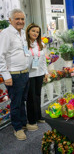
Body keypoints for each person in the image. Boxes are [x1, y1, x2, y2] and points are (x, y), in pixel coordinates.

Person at [0, 9, 29, 140]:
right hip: (14, 75)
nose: (20, 21)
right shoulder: (6, 34)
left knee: (22, 101)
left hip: (24, 72)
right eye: (17, 19)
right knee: (16, 103)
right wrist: (6, 75)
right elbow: (1, 56)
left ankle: (23, 123)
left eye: (22, 19)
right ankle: (17, 128)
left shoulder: (23, 33)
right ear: (10, 20)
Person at [26, 23, 48, 130]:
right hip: (29, 74)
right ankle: (31, 120)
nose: (35, 33)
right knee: (31, 97)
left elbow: (44, 61)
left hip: (39, 73)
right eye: (33, 31)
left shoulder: (41, 44)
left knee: (38, 95)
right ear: (28, 31)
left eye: (37, 32)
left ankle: (38, 116)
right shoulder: (25, 44)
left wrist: (46, 73)